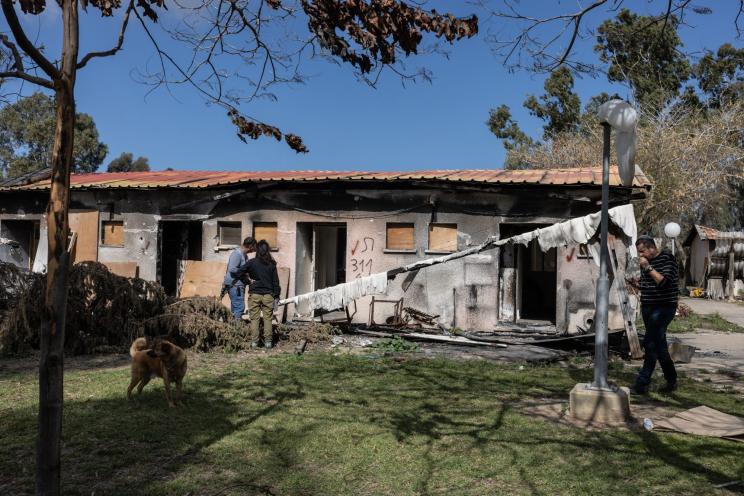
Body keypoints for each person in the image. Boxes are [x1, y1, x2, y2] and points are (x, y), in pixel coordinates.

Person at [630, 235, 679, 394]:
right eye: (639, 253)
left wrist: (648, 268)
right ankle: (671, 380)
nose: (641, 255)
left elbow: (664, 283)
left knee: (650, 343)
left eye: (643, 252)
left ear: (652, 247)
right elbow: (649, 287)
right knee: (659, 345)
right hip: (648, 307)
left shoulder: (667, 258)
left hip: (664, 307)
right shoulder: (645, 263)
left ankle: (642, 382)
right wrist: (636, 284)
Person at [246, 239, 281, 349]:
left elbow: (240, 272)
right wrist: (277, 295)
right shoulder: (271, 264)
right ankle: (268, 343)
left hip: (255, 294)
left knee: (254, 319)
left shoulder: (251, 263)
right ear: (267, 251)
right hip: (268, 295)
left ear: (257, 250)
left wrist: (247, 280)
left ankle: (254, 343)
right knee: (268, 319)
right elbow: (275, 282)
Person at [223, 237, 256, 321]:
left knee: (236, 307)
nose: (255, 249)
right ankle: (237, 329)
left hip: (239, 284)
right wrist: (244, 272)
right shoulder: (237, 254)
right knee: (239, 306)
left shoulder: (244, 255)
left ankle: (233, 326)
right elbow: (232, 269)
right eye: (254, 247)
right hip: (235, 285)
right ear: (250, 246)